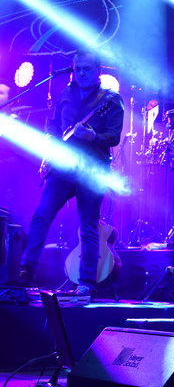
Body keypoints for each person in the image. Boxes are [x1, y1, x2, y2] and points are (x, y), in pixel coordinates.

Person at [16, 50, 125, 294]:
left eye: (87, 69)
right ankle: (26, 270)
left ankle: (86, 282)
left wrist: (93, 136)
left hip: (91, 170)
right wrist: (51, 141)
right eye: (78, 69)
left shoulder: (110, 98)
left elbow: (114, 136)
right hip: (63, 167)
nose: (81, 73)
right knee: (41, 215)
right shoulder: (66, 93)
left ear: (98, 71)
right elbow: (55, 125)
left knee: (88, 225)